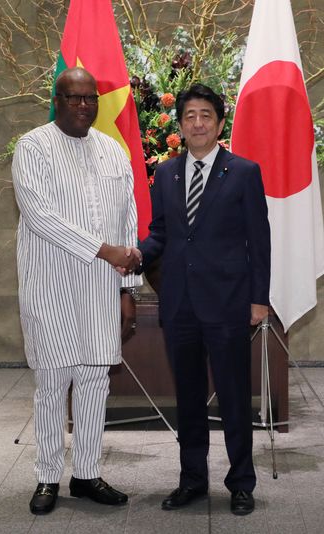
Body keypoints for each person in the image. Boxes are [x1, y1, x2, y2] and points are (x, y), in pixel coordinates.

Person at [12, 67, 142, 515]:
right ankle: (47, 476)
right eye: (74, 98)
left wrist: (128, 289)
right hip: (51, 288)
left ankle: (86, 474)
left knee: (92, 382)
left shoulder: (112, 152)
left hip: (101, 292)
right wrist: (105, 250)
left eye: (90, 98)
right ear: (58, 100)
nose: (84, 105)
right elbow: (40, 216)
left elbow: (127, 220)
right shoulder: (33, 147)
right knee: (52, 382)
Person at [138, 84, 270, 515]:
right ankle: (192, 479)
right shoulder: (166, 175)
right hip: (180, 305)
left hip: (229, 304)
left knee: (234, 396)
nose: (197, 123)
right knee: (189, 398)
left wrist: (258, 300)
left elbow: (259, 242)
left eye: (206, 115)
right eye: (190, 115)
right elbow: (161, 233)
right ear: (180, 124)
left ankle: (241, 484)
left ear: (219, 123)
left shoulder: (245, 172)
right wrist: (137, 255)